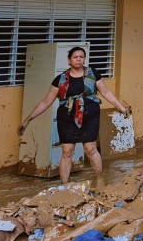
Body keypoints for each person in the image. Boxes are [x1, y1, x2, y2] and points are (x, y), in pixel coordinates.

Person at [18, 46, 129, 188]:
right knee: (67, 151)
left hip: (90, 116)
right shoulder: (60, 79)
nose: (78, 59)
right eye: (75, 57)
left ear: (84, 59)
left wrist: (121, 107)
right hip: (67, 118)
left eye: (81, 57)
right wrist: (28, 120)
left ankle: (100, 179)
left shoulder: (92, 74)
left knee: (90, 149)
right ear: (69, 60)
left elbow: (106, 92)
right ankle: (64, 186)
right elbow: (46, 102)